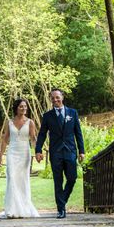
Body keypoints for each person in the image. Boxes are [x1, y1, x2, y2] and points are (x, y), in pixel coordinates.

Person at [35, 89, 85, 219]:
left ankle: (61, 200)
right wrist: (38, 150)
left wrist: (82, 151)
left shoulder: (72, 113)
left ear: (62, 97)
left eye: (57, 97)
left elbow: (78, 133)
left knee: (72, 178)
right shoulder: (47, 116)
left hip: (70, 151)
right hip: (55, 152)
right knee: (58, 181)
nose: (55, 100)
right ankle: (61, 209)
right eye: (52, 98)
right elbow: (42, 134)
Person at [0, 99, 40, 218]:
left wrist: (38, 152)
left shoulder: (30, 122)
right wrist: (0, 155)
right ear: (16, 108)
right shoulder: (9, 122)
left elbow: (33, 139)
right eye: (21, 106)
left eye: (25, 106)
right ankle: (12, 209)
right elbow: (5, 139)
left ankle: (24, 208)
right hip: (12, 153)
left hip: (24, 153)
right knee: (12, 177)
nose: (24, 108)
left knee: (22, 180)